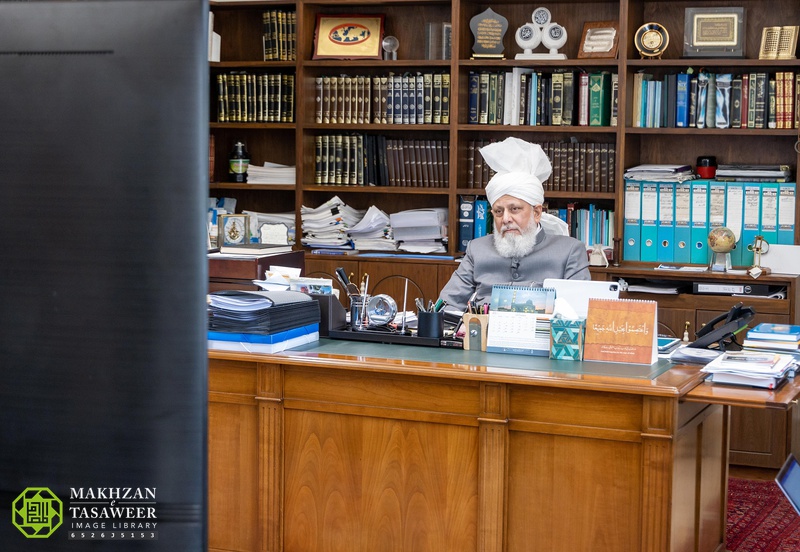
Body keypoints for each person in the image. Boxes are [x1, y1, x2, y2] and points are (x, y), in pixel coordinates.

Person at [438, 137, 590, 312]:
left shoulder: (570, 251)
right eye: (498, 211)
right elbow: (447, 305)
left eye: (514, 209)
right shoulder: (477, 249)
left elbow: (578, 313)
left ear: (537, 212)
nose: (506, 219)